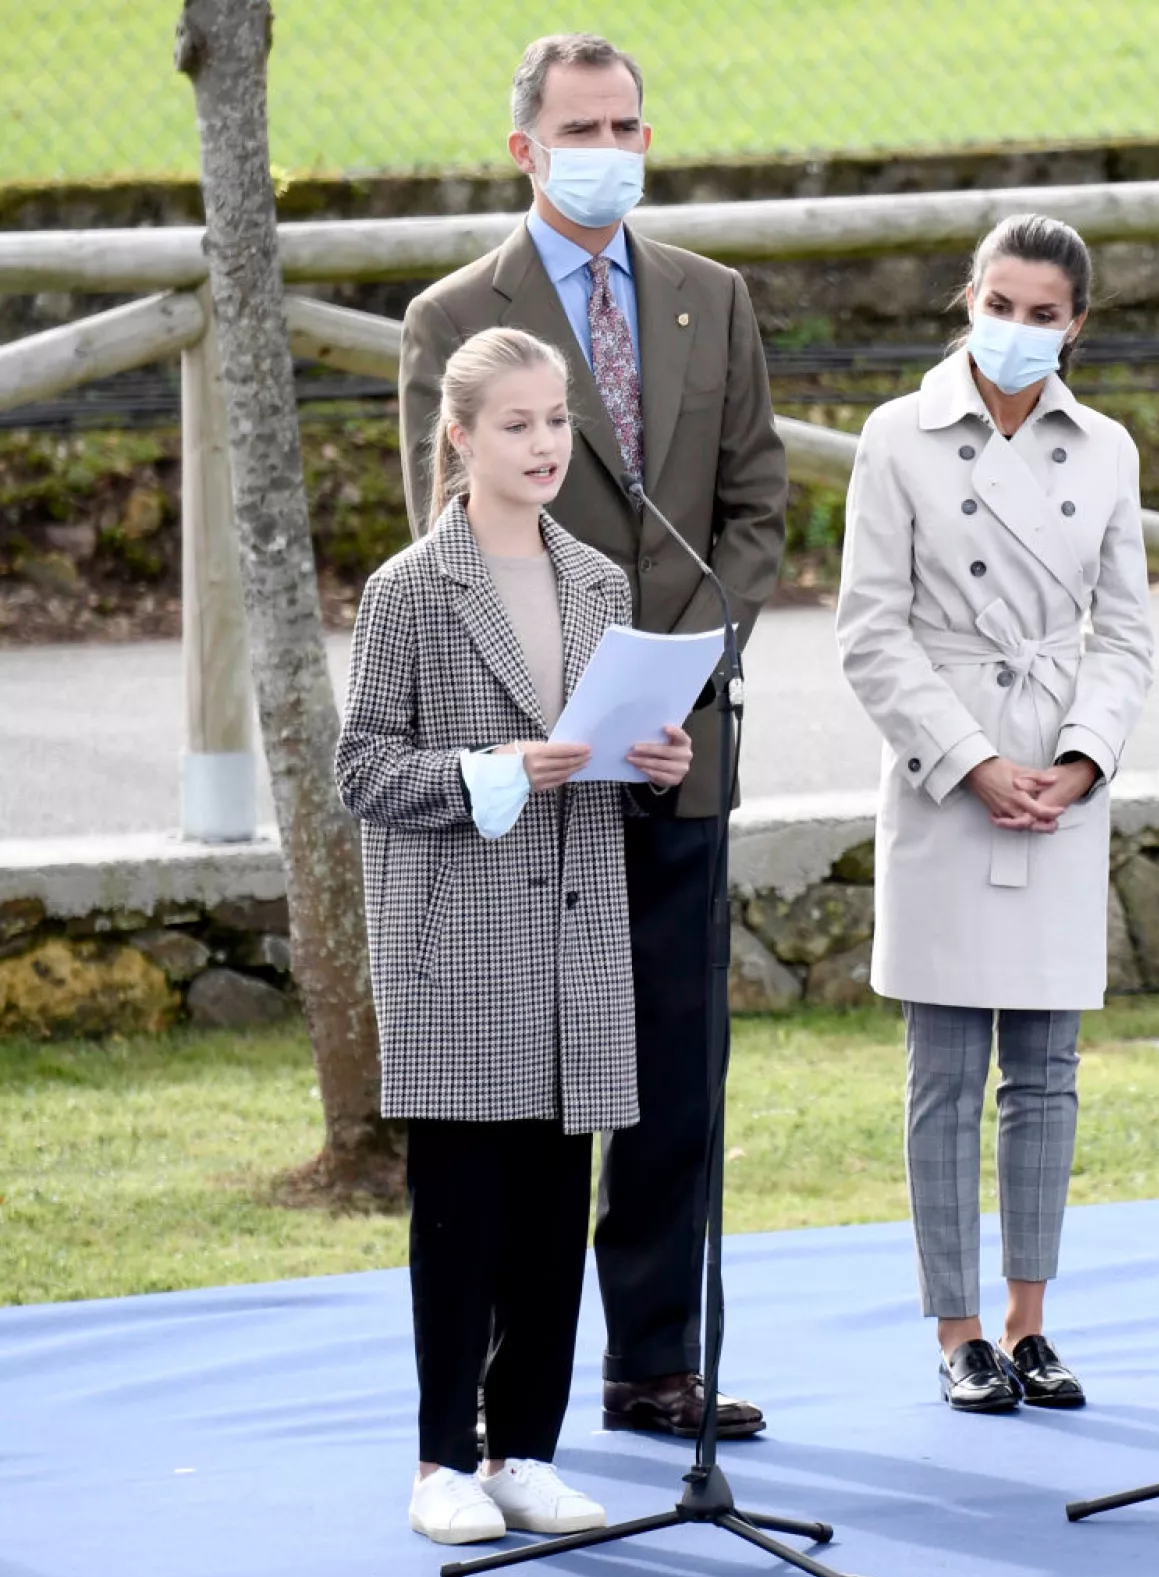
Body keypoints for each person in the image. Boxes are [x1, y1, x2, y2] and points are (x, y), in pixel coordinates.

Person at [399, 31, 786, 1442]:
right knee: (541, 1092)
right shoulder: (454, 314)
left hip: (681, 750)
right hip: (541, 770)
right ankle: (512, 1388)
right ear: (524, 148)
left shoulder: (710, 298)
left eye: (629, 124)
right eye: (583, 127)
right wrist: (560, 708)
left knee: (678, 1080)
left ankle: (658, 1362)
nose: (611, 148)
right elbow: (443, 547)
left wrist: (681, 673)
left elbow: (755, 508)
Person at [335, 328, 693, 1544]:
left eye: (556, 422)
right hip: (458, 947)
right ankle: (441, 1459)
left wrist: (655, 762)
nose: (544, 445)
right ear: (460, 437)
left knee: (552, 1212)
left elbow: (602, 753)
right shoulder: (406, 591)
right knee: (462, 1215)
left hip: (575, 942)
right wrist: (489, 771)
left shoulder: (599, 581)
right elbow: (365, 766)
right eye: (517, 425)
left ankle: (524, 1449)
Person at [836, 214, 1154, 1414]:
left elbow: (1126, 632)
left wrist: (1080, 759)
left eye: (1043, 313)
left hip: (1061, 776)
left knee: (1050, 1071)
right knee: (946, 1070)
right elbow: (869, 629)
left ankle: (1031, 1322)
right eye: (1000, 304)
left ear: (1077, 324)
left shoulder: (1110, 449)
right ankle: (956, 1326)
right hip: (945, 771)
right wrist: (970, 761)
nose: (1017, 330)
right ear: (967, 298)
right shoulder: (895, 437)